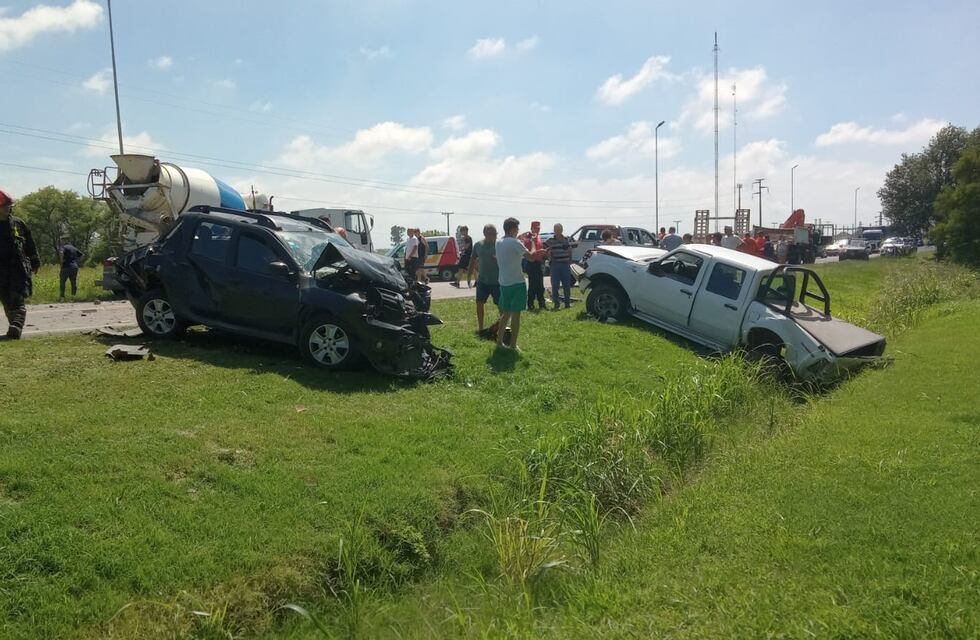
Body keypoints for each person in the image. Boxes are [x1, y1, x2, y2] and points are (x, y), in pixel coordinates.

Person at [495, 217, 545, 350]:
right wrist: (533, 241)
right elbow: (532, 256)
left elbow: (511, 245)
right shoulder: (516, 243)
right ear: (512, 229)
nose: (518, 231)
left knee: (505, 314)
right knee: (516, 315)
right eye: (517, 229)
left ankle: (499, 342)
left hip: (504, 283)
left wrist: (521, 237)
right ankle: (512, 345)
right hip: (517, 282)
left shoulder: (499, 242)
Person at [0, 190, 40, 340]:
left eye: (8, 206)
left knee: (17, 298)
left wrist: (35, 261)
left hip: (18, 268)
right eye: (4, 206)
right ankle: (14, 327)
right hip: (1, 270)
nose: (7, 209)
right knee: (7, 300)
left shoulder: (18, 224)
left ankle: (16, 326)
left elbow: (29, 243)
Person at [467, 224, 500, 334]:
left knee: (501, 305)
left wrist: (499, 261)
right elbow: (472, 260)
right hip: (482, 281)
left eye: (495, 234)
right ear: (485, 234)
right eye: (491, 234)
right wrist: (469, 276)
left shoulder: (500, 245)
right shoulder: (478, 245)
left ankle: (502, 327)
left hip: (497, 282)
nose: (494, 236)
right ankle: (481, 328)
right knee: (479, 303)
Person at [544, 223, 573, 310]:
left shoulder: (566, 239)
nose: (557, 231)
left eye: (559, 229)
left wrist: (569, 260)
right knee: (555, 285)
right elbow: (544, 249)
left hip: (565, 264)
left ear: (562, 230)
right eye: (556, 229)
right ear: (554, 230)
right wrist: (548, 255)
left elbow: (570, 250)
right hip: (555, 264)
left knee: (566, 285)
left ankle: (567, 304)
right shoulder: (550, 240)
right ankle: (556, 303)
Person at [522, 221, 547, 310]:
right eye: (536, 228)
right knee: (533, 285)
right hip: (532, 263)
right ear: (531, 228)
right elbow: (529, 253)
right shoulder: (528, 239)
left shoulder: (539, 237)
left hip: (539, 263)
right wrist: (540, 252)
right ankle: (530, 304)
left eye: (539, 227)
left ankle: (542, 304)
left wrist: (544, 253)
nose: (538, 229)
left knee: (540, 285)